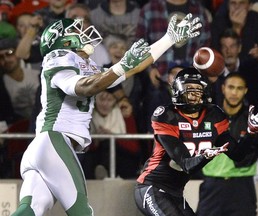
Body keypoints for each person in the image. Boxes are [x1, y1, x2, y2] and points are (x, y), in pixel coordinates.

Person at [11, 13, 203, 215]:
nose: (84, 34)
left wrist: (168, 39)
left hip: (44, 148)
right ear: (64, 41)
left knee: (30, 210)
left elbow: (131, 68)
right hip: (54, 142)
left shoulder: (84, 66)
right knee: (82, 211)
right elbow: (83, 87)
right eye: (77, 32)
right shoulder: (59, 60)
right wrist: (121, 66)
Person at [134, 67, 258, 216]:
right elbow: (187, 164)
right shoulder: (167, 115)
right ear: (178, 90)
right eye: (188, 88)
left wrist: (251, 133)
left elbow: (238, 155)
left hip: (175, 192)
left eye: (197, 89)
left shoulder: (213, 115)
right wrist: (207, 156)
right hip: (152, 187)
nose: (193, 93)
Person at [196, 73, 258, 216]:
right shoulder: (207, 117)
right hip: (211, 187)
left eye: (239, 88)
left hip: (243, 190)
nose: (234, 93)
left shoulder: (255, 120)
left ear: (245, 91)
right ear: (223, 88)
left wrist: (247, 179)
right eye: (231, 87)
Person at [135, 0, 211, 133]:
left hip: (191, 79)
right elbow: (139, 43)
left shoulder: (198, 10)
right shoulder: (150, 8)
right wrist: (150, 68)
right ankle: (153, 145)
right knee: (154, 102)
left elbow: (205, 46)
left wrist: (198, 74)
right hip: (160, 79)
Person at [81, 90, 141, 179]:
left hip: (121, 157)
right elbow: (83, 147)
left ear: (114, 102)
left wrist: (113, 137)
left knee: (108, 141)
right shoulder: (88, 116)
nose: (105, 104)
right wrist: (96, 141)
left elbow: (134, 148)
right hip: (98, 157)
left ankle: (106, 172)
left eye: (109, 100)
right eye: (101, 99)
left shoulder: (124, 114)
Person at [211, 28, 258, 110]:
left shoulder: (251, 69)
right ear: (220, 49)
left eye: (232, 46)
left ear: (239, 48)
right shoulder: (214, 73)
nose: (228, 51)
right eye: (224, 47)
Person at [0, 37, 40, 120]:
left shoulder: (36, 74)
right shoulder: (2, 87)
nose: (6, 59)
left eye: (9, 53)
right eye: (1, 57)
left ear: (17, 53)